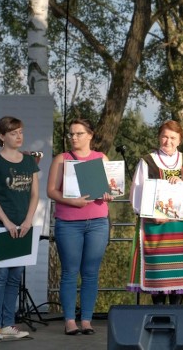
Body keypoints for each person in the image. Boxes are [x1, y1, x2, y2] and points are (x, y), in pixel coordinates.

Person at [127, 120, 183, 303]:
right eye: (164, 136)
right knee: (159, 276)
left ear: (180, 139)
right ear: (159, 137)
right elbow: (136, 196)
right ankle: (158, 317)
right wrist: (152, 214)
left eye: (173, 137)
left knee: (180, 277)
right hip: (156, 228)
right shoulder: (147, 162)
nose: (168, 141)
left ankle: (176, 317)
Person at [46, 118, 112, 336]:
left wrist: (108, 193)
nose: (73, 137)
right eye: (71, 134)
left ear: (90, 135)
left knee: (91, 273)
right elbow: (51, 191)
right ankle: (69, 321)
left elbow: (111, 188)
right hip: (68, 223)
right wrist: (72, 201)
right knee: (69, 272)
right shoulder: (61, 159)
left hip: (98, 222)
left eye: (79, 134)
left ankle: (86, 320)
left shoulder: (101, 158)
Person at [0, 116, 40, 341]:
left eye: (21, 132)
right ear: (1, 136)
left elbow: (34, 194)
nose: (19, 136)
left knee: (15, 277)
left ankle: (8, 324)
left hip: (23, 227)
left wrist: (27, 220)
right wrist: (6, 221)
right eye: (14, 133)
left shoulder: (28, 162)